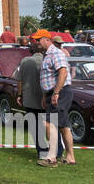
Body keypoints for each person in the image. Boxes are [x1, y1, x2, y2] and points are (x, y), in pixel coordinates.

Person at [33, 30, 74, 166]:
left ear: (47, 40)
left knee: (50, 123)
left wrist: (56, 93)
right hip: (55, 93)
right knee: (64, 126)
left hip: (61, 92)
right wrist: (46, 95)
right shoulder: (47, 55)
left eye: (38, 40)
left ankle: (51, 158)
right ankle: (70, 157)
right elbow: (49, 77)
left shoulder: (55, 53)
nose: (36, 43)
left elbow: (63, 72)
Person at [14, 45, 47, 162]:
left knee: (35, 126)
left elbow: (19, 80)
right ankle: (56, 151)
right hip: (45, 97)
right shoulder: (46, 60)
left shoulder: (25, 61)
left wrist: (19, 94)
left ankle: (42, 151)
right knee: (49, 125)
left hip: (29, 98)